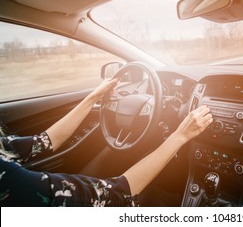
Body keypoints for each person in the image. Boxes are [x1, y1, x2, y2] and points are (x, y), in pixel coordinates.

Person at [0, 78, 213, 206]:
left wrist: (94, 97)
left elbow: (43, 142)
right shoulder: (11, 184)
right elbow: (115, 194)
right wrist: (181, 135)